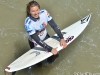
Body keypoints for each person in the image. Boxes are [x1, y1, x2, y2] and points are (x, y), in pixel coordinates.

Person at [12, 0, 67, 75]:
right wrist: (50, 49)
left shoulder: (44, 13)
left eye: (37, 10)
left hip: (46, 37)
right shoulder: (28, 23)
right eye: (33, 11)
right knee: (39, 64)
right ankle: (40, 67)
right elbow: (37, 40)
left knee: (56, 54)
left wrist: (61, 38)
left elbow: (54, 26)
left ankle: (49, 64)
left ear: (39, 9)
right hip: (35, 43)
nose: (36, 13)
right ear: (29, 12)